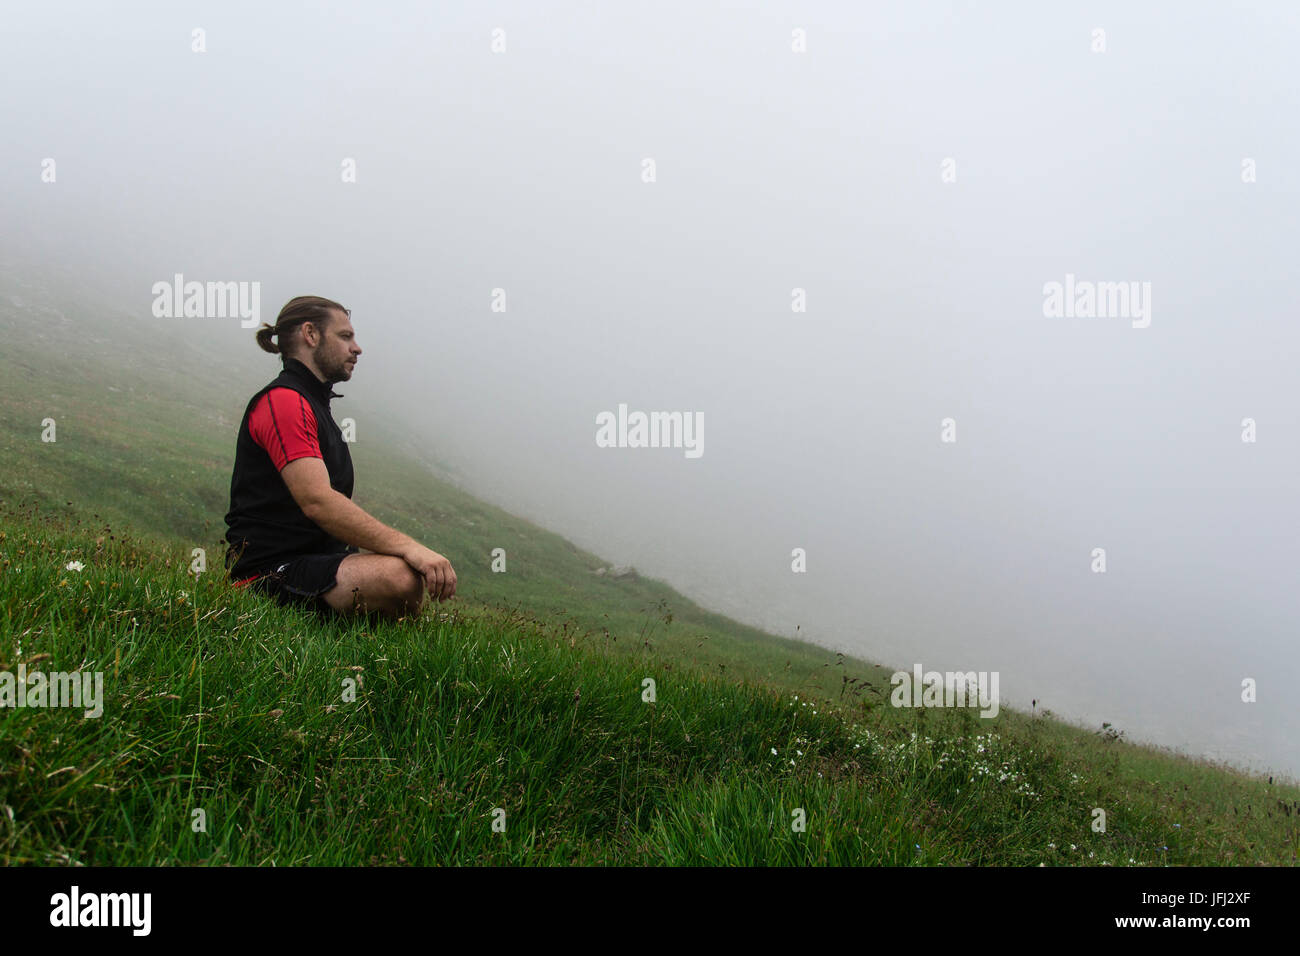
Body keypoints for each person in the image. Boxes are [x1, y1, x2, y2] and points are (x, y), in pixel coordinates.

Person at [223, 295, 456, 619]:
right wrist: (409, 546)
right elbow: (317, 501)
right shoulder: (284, 401)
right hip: (267, 573)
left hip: (312, 564)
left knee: (399, 573)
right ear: (311, 334)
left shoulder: (313, 404)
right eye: (345, 336)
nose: (357, 348)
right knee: (400, 577)